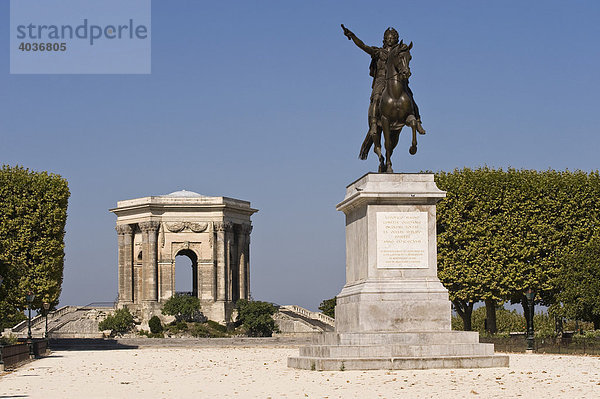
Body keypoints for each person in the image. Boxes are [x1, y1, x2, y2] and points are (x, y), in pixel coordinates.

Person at [341, 25, 426, 144]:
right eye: (388, 38)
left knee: (410, 96)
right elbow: (363, 46)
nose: (390, 40)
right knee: (376, 98)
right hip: (381, 79)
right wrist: (353, 36)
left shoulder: (399, 51)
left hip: (396, 80)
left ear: (396, 39)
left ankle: (418, 121)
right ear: (384, 39)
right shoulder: (379, 52)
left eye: (392, 38)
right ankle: (374, 123)